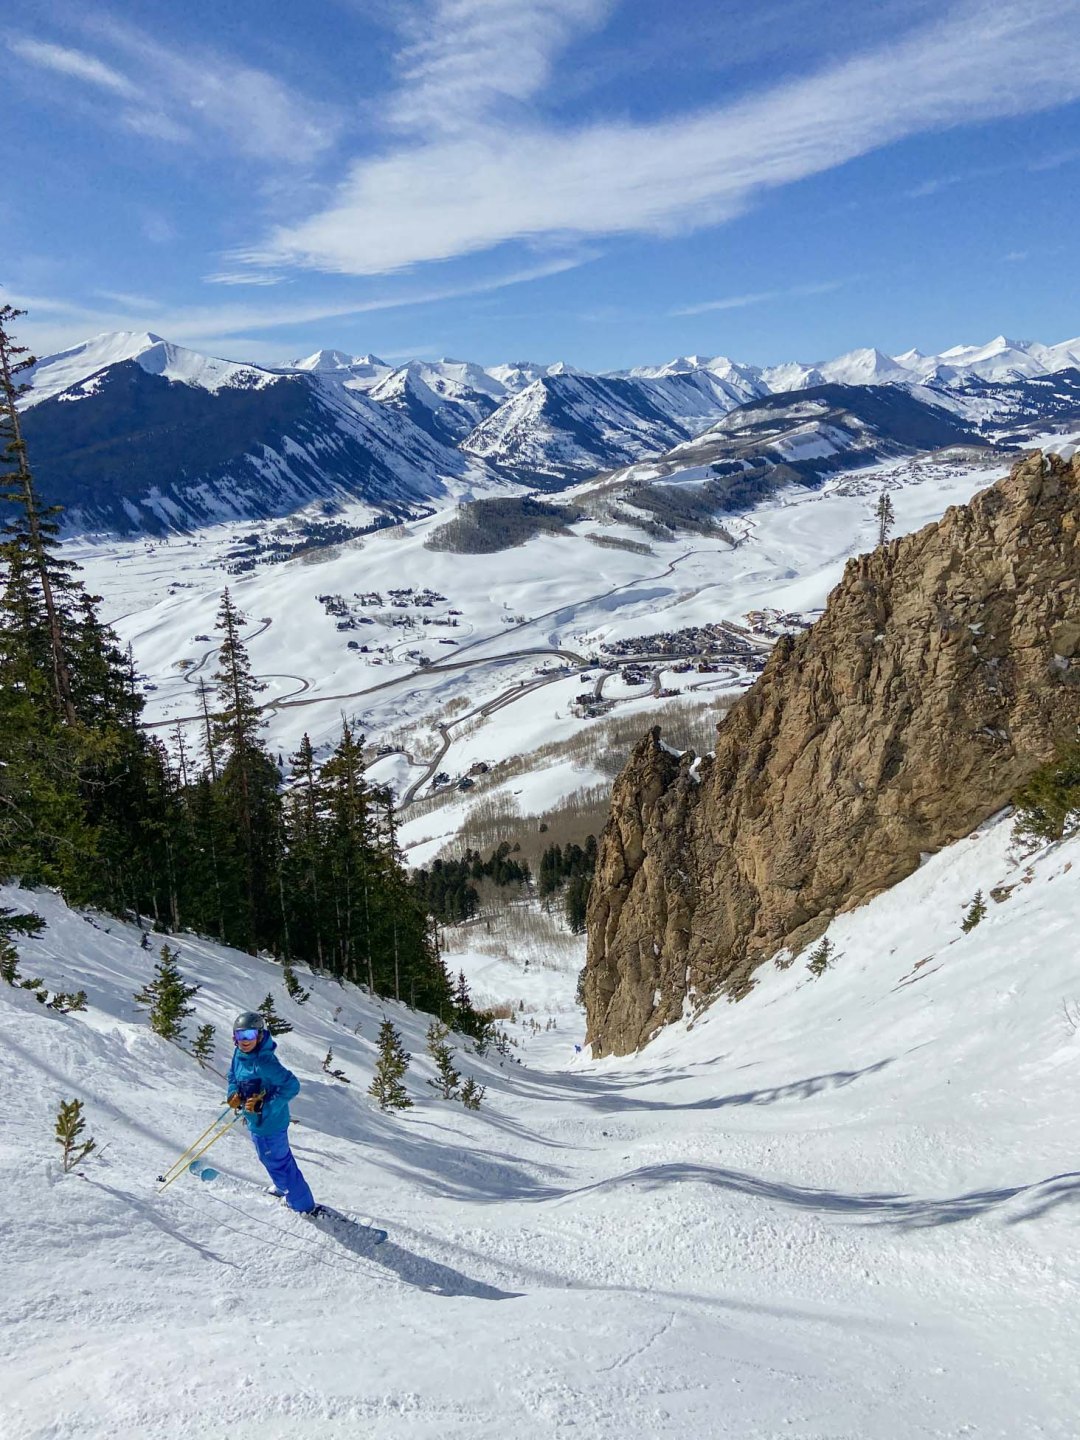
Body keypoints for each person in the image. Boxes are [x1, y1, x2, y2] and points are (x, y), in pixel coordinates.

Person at [227, 1010, 317, 1215]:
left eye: (249, 1035)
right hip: (255, 1121)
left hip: (270, 1122)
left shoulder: (264, 1063)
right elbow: (233, 1076)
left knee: (280, 1162)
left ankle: (302, 1204)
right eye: (240, 1035)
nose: (245, 1041)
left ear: (259, 1035)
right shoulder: (239, 1054)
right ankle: (282, 1186)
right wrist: (233, 1094)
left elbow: (292, 1086)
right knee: (268, 1157)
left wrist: (264, 1106)